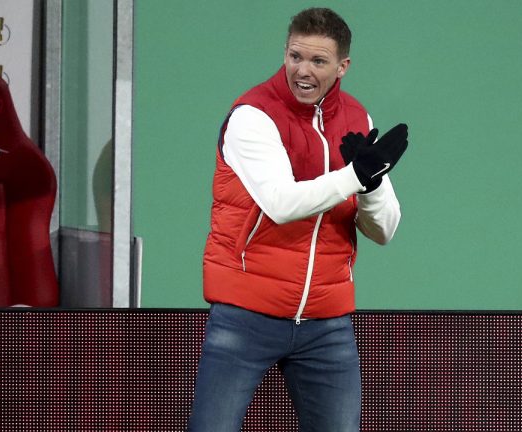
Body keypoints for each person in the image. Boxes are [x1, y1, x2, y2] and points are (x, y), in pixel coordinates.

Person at [187, 7, 409, 431]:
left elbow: (384, 230)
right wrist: (354, 175)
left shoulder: (357, 118)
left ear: (342, 66)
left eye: (318, 61)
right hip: (245, 314)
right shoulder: (253, 116)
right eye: (295, 57)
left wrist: (374, 183)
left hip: (327, 324)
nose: (302, 71)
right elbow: (281, 204)